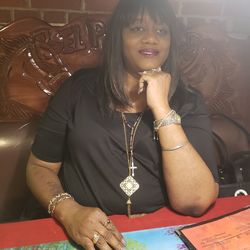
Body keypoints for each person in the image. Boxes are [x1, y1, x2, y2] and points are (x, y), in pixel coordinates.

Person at [26, 0, 219, 249]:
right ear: (119, 36)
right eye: (138, 29)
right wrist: (69, 211)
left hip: (160, 232)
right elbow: (39, 166)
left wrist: (162, 108)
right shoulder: (78, 90)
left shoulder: (187, 101)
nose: (151, 39)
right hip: (83, 233)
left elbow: (196, 201)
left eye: (161, 31)